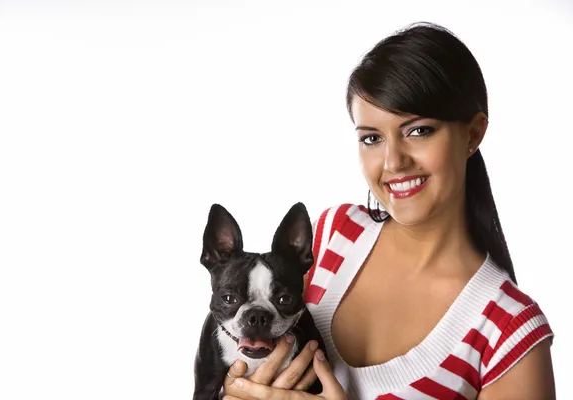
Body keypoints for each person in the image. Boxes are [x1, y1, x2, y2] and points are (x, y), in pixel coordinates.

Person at [220, 22, 556, 399]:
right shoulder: (334, 235)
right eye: (372, 138)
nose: (393, 161)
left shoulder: (509, 331)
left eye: (418, 131)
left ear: (473, 134)